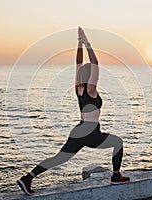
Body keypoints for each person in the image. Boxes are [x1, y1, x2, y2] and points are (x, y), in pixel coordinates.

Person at [17, 27, 130, 195]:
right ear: (91, 75)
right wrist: (87, 43)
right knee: (118, 143)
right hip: (91, 133)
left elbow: (78, 64)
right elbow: (95, 63)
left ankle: (28, 177)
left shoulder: (78, 87)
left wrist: (79, 43)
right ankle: (115, 176)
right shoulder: (91, 90)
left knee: (59, 158)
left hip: (78, 131)